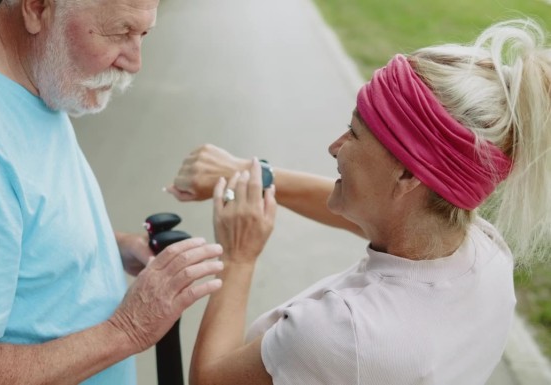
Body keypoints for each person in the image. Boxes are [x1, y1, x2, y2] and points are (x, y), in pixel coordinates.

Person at [169, 19, 551, 384]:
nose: (334, 146)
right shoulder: (487, 257)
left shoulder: (345, 333)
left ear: (407, 175)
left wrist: (239, 256)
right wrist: (253, 174)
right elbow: (382, 215)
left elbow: (210, 379)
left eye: (354, 132)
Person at [0, 0, 225, 384]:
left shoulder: (26, 71)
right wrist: (130, 328)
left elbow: (13, 223)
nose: (135, 61)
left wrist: (110, 245)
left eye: (143, 34)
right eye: (119, 32)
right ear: (37, 8)